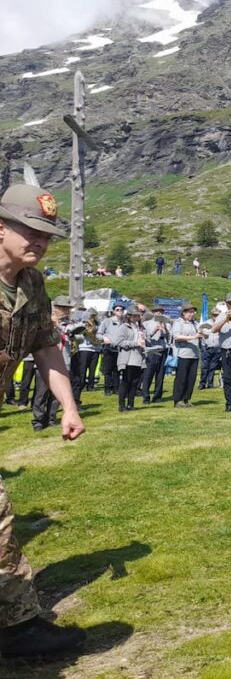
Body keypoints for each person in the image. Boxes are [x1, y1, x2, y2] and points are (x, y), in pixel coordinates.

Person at [0, 183, 87, 657]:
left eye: (47, 235)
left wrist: (69, 406)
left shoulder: (32, 286)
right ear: (0, 227)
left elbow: (47, 349)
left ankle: (17, 629)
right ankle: (19, 630)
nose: (39, 241)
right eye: (29, 230)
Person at [31, 295, 78, 431]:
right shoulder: (46, 322)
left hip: (64, 362)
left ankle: (51, 418)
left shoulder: (71, 324)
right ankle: (38, 420)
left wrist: (69, 330)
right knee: (41, 394)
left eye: (68, 309)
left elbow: (79, 338)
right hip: (45, 363)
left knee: (58, 395)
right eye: (64, 308)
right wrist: (53, 325)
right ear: (56, 308)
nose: (67, 311)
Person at [113, 307, 146, 412]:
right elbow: (119, 342)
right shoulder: (124, 327)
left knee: (135, 382)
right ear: (129, 316)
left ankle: (131, 404)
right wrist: (135, 343)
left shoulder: (141, 327)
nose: (137, 317)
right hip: (128, 357)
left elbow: (145, 339)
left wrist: (146, 340)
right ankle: (121, 405)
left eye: (138, 315)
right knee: (126, 381)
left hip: (139, 357)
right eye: (134, 315)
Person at [171, 303, 202, 407]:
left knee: (191, 378)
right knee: (181, 378)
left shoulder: (195, 323)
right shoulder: (178, 322)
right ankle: (178, 399)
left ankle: (186, 399)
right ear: (184, 313)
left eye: (193, 312)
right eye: (189, 312)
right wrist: (193, 337)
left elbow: (201, 332)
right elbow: (176, 336)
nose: (192, 314)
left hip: (194, 354)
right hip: (183, 354)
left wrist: (204, 334)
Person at [141, 305, 170, 404]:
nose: (159, 313)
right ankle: (146, 395)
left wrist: (165, 328)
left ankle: (157, 396)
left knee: (160, 374)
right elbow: (146, 338)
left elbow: (169, 337)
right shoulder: (147, 323)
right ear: (153, 313)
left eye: (161, 312)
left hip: (163, 348)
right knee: (149, 373)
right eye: (157, 312)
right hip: (152, 349)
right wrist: (155, 330)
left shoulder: (167, 323)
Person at [97, 304, 124, 395]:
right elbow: (99, 334)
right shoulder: (107, 321)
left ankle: (116, 388)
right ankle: (107, 389)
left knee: (117, 370)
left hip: (120, 349)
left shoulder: (124, 322)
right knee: (108, 370)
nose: (119, 311)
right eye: (117, 309)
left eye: (121, 310)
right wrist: (104, 338)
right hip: (109, 348)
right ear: (113, 311)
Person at [199, 308, 222, 390]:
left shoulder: (221, 324)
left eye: (217, 315)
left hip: (217, 347)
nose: (216, 317)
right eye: (214, 315)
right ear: (211, 315)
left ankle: (210, 383)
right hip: (207, 347)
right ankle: (202, 383)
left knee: (213, 366)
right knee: (205, 366)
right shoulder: (206, 323)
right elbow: (201, 333)